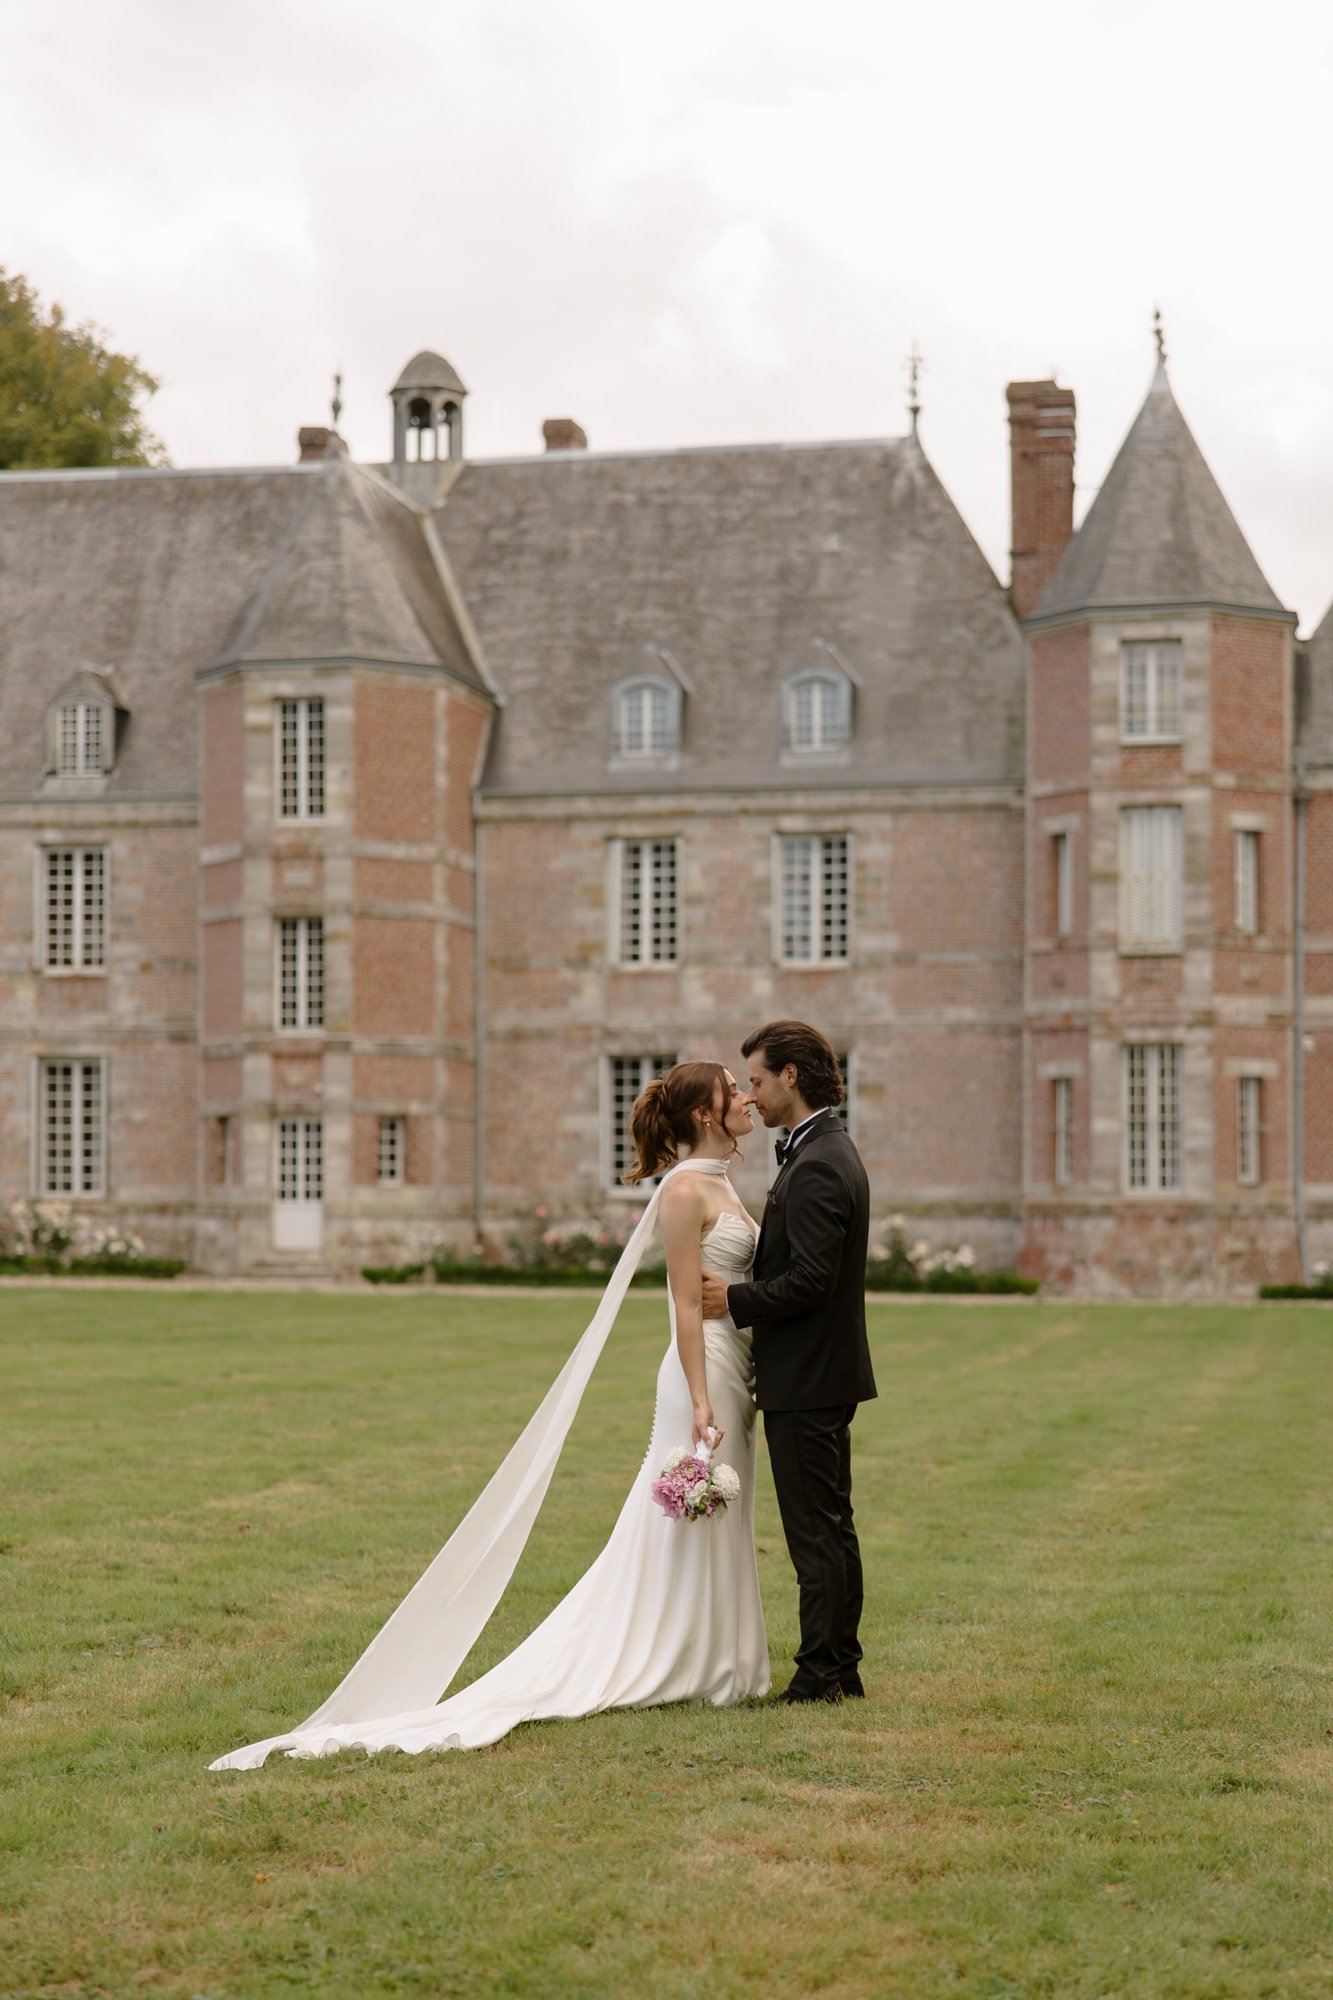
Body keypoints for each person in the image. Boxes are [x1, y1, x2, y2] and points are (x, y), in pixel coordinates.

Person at [210, 1062, 769, 1768]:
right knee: (686, 1518)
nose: (748, 1096)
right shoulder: (686, 1189)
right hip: (703, 1371)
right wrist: (697, 1397)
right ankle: (688, 1663)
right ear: (703, 1114)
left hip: (734, 1368)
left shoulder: (721, 1180)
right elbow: (685, 1303)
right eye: (733, 1088)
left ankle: (717, 1659)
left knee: (718, 1517)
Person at [701, 1020, 875, 1705]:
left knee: (815, 1532)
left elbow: (811, 1281)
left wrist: (732, 1299)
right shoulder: (817, 1150)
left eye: (757, 1080)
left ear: (791, 1078)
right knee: (827, 1525)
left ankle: (823, 1675)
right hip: (814, 1372)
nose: (751, 1095)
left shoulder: (823, 1160)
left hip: (808, 1374)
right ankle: (838, 1665)